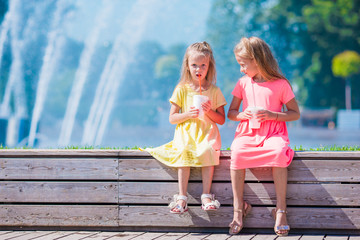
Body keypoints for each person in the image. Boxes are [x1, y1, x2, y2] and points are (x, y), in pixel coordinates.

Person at [227, 37, 300, 236]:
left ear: (257, 60)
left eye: (243, 64)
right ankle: (238, 208)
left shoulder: (281, 84)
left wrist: (272, 115)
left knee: (278, 153)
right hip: (248, 132)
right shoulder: (243, 83)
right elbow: (231, 112)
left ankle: (281, 209)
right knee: (238, 152)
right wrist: (242, 115)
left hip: (274, 133)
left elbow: (295, 113)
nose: (241, 69)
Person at [144, 41, 227, 214]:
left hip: (206, 133)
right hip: (186, 134)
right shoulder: (182, 89)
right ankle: (181, 198)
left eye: (203, 65)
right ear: (187, 66)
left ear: (209, 65)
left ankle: (206, 195)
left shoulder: (214, 91)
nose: (199, 69)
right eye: (194, 65)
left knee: (207, 150)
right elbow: (172, 118)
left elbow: (221, 119)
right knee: (183, 151)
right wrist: (188, 115)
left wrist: (209, 111)